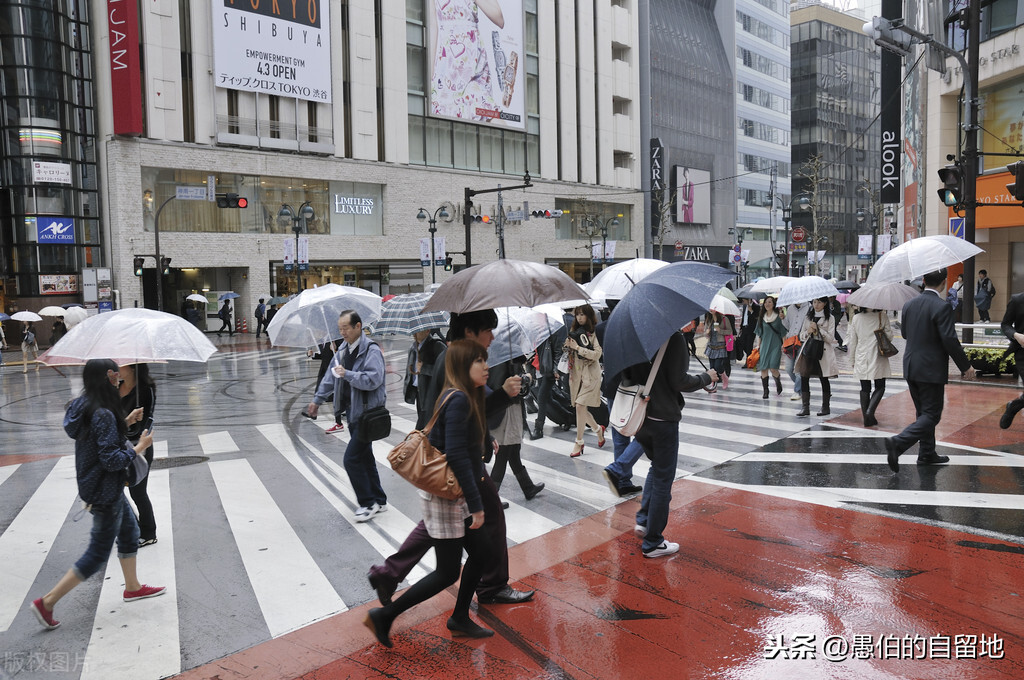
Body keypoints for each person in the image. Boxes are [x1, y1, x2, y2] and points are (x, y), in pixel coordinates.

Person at [368, 309, 534, 607]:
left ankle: (389, 572)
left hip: (450, 454)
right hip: (459, 459)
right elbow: (467, 407)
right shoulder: (459, 357)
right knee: (489, 517)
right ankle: (492, 586)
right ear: (471, 331)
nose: (492, 338)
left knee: (437, 524)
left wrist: (486, 434)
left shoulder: (450, 354)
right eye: (488, 331)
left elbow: (467, 409)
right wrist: (504, 395)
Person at [364, 340, 498, 646]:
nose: (486, 366)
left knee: (483, 552)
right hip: (447, 496)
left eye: (485, 360)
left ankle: (460, 618)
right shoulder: (459, 399)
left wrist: (485, 440)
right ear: (465, 367)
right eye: (480, 361)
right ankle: (385, 616)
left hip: (457, 492)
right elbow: (457, 455)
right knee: (447, 571)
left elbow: (466, 443)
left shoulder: (467, 395)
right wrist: (477, 507)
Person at [29, 359, 165, 630]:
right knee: (97, 553)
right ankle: (47, 602)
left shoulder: (85, 404)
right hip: (104, 489)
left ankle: (133, 587)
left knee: (128, 533)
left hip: (100, 485)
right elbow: (111, 459)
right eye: (115, 375)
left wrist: (125, 420)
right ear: (106, 378)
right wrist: (140, 447)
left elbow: (98, 438)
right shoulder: (102, 411)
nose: (119, 380)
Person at [621, 331, 717, 557]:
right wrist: (706, 377)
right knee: (664, 479)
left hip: (640, 415)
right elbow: (679, 380)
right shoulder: (673, 337)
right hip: (663, 419)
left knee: (657, 468)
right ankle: (653, 542)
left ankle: (645, 521)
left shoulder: (632, 336)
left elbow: (625, 376)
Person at [885, 269, 975, 472]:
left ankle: (927, 453)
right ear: (944, 283)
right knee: (932, 414)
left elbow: (906, 333)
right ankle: (899, 442)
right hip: (930, 369)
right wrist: (965, 366)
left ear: (923, 281)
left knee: (923, 413)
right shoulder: (942, 307)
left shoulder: (909, 304)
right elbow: (950, 340)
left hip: (910, 366)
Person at [306, 311, 388, 522]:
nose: (342, 332)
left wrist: (348, 374)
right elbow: (329, 378)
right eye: (340, 328)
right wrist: (316, 400)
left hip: (367, 415)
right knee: (365, 457)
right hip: (351, 414)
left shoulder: (371, 351)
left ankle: (367, 503)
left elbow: (374, 380)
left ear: (358, 326)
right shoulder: (342, 350)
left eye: (346, 328)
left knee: (351, 459)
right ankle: (379, 499)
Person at [430, 0, 505, 123]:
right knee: (447, 113)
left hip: (473, 63)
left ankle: (512, 142)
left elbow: (499, 19)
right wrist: (430, 75)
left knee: (486, 110)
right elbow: (432, 27)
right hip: (447, 67)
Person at [488, 357, 544, 500]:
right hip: (508, 410)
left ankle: (528, 487)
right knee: (503, 454)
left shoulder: (501, 354)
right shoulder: (505, 357)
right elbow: (506, 385)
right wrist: (526, 378)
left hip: (507, 408)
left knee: (513, 452)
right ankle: (490, 499)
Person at [120, 363, 158, 546]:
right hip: (119, 446)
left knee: (138, 491)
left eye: (122, 365)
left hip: (139, 446)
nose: (118, 367)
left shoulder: (146, 389)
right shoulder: (116, 387)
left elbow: (150, 417)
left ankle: (149, 533)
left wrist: (140, 436)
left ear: (133, 368)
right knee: (116, 492)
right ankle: (132, 528)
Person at [565, 304, 604, 457]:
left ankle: (579, 442)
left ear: (588, 315)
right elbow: (568, 353)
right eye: (577, 315)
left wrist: (579, 348)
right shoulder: (573, 332)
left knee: (580, 405)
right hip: (576, 375)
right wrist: (568, 347)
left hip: (591, 375)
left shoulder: (594, 332)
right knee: (580, 407)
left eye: (582, 314)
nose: (579, 317)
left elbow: (597, 354)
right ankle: (598, 429)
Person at [848, 306, 893, 427]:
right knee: (880, 386)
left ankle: (867, 417)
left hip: (862, 354)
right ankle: (869, 412)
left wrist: (852, 359)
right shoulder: (882, 316)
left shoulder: (856, 318)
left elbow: (853, 340)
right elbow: (889, 337)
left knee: (865, 388)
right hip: (878, 355)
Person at [796, 297, 838, 417]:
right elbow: (802, 336)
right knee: (804, 376)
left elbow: (831, 338)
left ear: (825, 303)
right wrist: (808, 331)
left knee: (823, 378)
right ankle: (805, 407)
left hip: (822, 352)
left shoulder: (830, 318)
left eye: (819, 302)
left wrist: (819, 329)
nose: (816, 305)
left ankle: (825, 407)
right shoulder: (808, 317)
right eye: (814, 302)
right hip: (809, 350)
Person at [997, 291, 1024, 429]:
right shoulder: (1017, 300)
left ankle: (1015, 405)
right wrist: (1016, 335)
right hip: (1022, 352)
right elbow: (1005, 325)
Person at [411, 329, 447, 430]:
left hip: (432, 395)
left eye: (417, 331)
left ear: (427, 331)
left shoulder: (437, 346)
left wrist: (424, 368)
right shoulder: (414, 347)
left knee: (425, 428)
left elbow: (444, 369)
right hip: (419, 394)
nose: (414, 334)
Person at [753, 295, 785, 399]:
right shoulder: (762, 318)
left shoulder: (779, 317)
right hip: (764, 345)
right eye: (766, 302)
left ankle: (778, 382)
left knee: (773, 368)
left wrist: (784, 346)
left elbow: (783, 333)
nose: (767, 304)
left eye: (770, 302)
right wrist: (759, 345)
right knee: (763, 368)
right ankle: (765, 391)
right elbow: (760, 334)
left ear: (774, 304)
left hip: (776, 345)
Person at [528, 335, 556, 440]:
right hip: (539, 369)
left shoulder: (548, 332)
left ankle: (538, 428)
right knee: (547, 398)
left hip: (548, 370)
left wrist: (556, 370)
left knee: (541, 397)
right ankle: (567, 416)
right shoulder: (535, 335)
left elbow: (557, 350)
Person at [704, 310, 734, 390]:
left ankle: (725, 378)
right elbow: (705, 333)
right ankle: (713, 383)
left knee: (718, 366)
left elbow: (730, 331)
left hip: (720, 346)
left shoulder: (724, 319)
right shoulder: (708, 319)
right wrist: (707, 332)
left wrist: (720, 331)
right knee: (712, 367)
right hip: (711, 346)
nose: (711, 310)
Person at [783, 302, 806, 400]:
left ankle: (797, 391)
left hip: (803, 341)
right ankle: (802, 386)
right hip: (791, 342)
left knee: (798, 369)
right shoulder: (790, 309)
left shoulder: (809, 307)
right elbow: (788, 326)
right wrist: (783, 319)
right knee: (788, 367)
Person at [737, 298, 760, 365]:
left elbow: (756, 317)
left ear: (749, 300)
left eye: (744, 300)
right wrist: (741, 327)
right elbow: (744, 317)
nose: (743, 301)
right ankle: (750, 356)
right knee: (741, 343)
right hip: (744, 328)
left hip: (751, 329)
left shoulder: (756, 306)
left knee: (749, 345)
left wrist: (751, 311)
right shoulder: (744, 306)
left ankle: (748, 362)